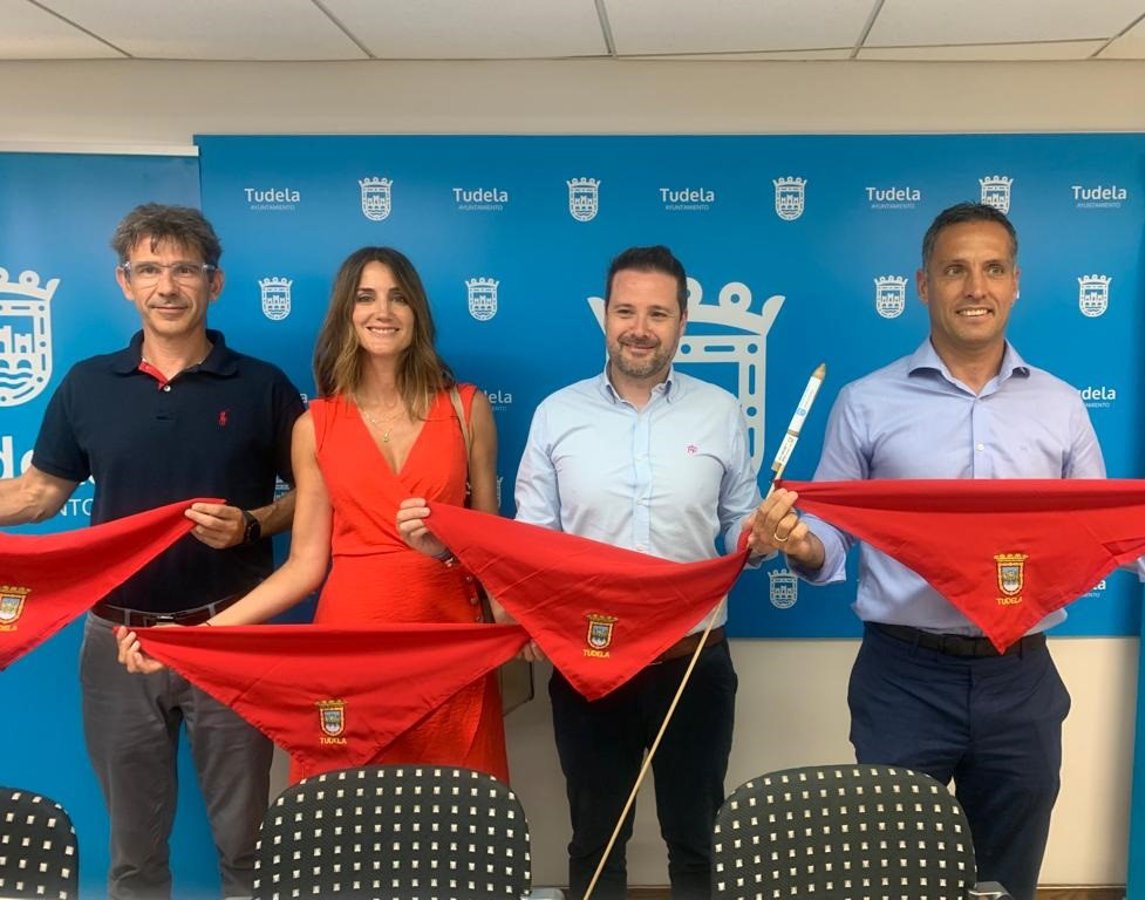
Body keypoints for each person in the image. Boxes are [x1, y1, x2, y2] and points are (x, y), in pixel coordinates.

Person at [745, 201, 1145, 900]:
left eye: (992, 269)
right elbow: (831, 537)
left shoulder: (1060, 405)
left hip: (1019, 678)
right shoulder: (865, 402)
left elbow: (1104, 534)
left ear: (1016, 283)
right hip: (903, 676)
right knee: (895, 877)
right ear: (923, 284)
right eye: (955, 270)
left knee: (1007, 878)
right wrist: (801, 543)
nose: (975, 287)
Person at [399, 244, 763, 900]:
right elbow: (531, 546)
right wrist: (451, 546)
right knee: (595, 844)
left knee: (698, 842)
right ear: (605, 316)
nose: (640, 328)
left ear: (682, 321)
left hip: (693, 662)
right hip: (591, 662)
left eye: (658, 313)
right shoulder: (557, 414)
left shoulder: (720, 411)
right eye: (626, 311)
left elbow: (741, 523)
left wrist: (763, 538)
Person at [0, 203, 304, 899]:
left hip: (229, 635)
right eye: (149, 269)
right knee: (133, 854)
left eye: (184, 270)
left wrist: (253, 523)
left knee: (247, 848)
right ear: (125, 282)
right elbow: (38, 495)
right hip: (117, 638)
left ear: (214, 282)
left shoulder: (262, 386)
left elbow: (313, 499)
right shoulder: (87, 384)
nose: (167, 286)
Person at [119, 245, 508, 781]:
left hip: (449, 644)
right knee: (352, 817)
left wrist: (514, 622)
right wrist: (197, 635)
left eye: (398, 298)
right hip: (350, 651)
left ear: (417, 311)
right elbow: (304, 567)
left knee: (453, 813)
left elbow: (492, 547)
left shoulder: (466, 408)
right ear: (346, 312)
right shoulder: (315, 426)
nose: (383, 311)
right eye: (365, 297)